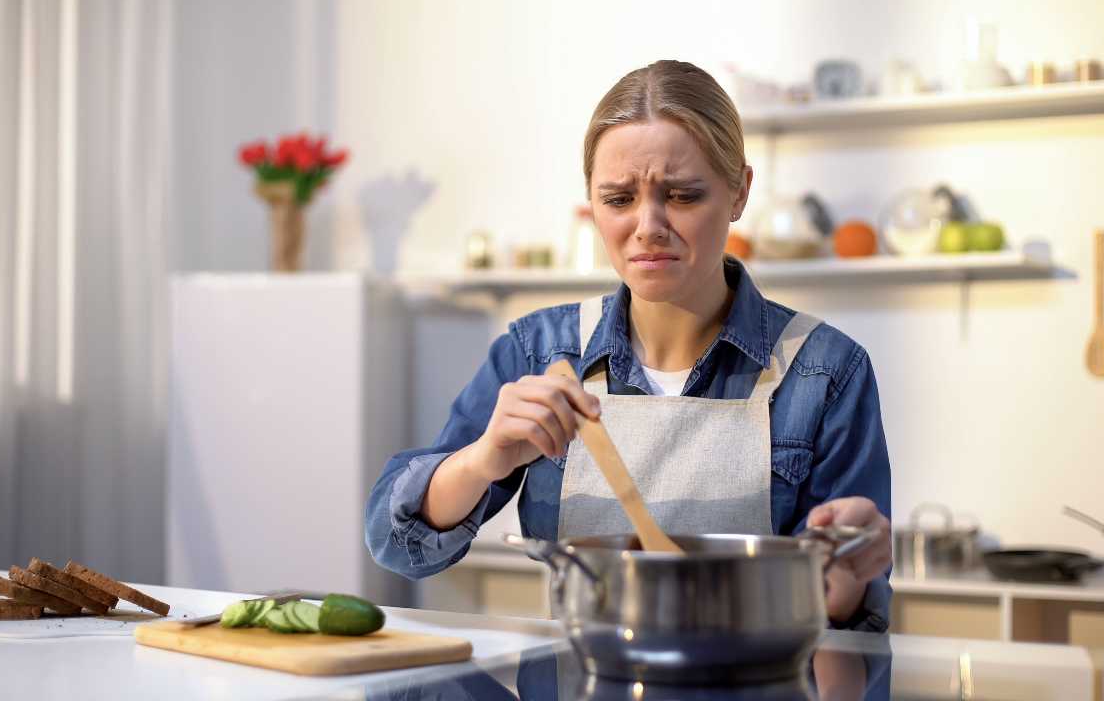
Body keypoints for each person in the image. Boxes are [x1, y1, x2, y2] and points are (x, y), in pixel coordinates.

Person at [365, 60, 892, 630]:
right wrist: (480, 460)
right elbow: (397, 546)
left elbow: (845, 621)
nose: (648, 225)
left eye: (683, 195)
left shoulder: (825, 370)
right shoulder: (540, 352)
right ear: (590, 203)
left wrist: (850, 565)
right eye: (618, 199)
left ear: (740, 192)